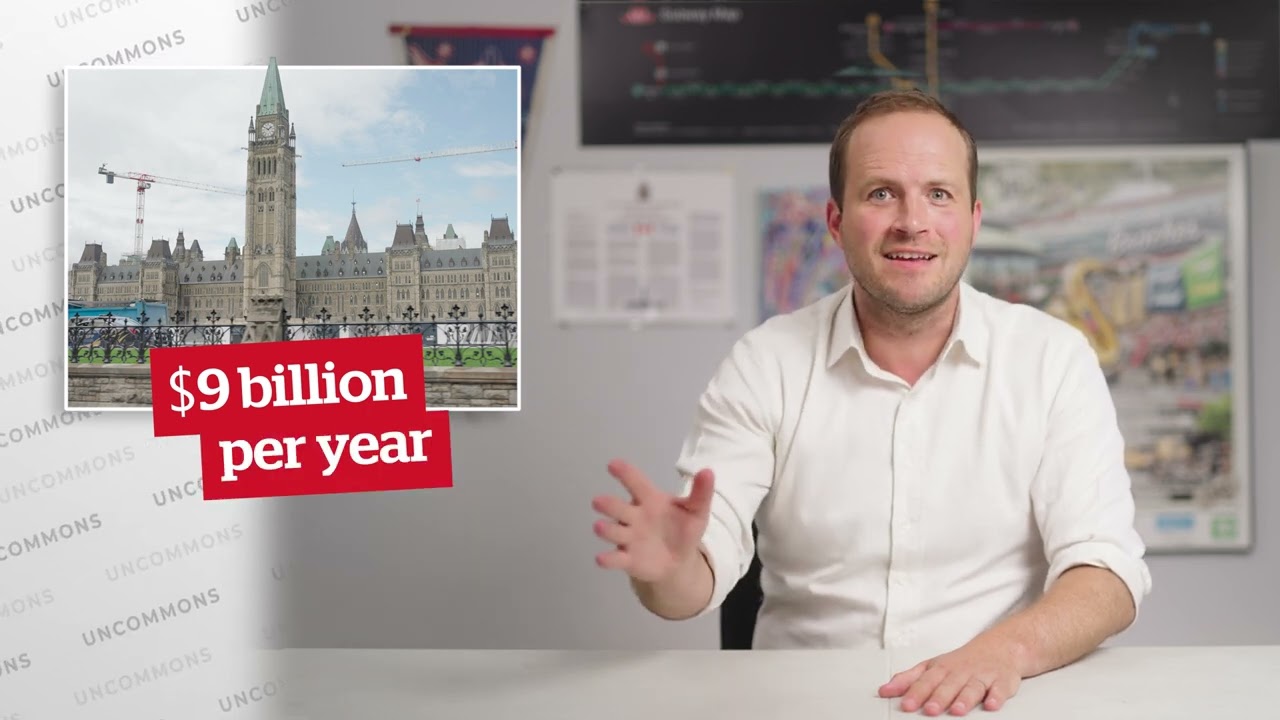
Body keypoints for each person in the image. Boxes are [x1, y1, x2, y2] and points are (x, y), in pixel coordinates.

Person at [590, 88, 1152, 716]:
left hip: (992, 703)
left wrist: (1002, 652)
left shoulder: (1053, 360)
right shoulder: (766, 363)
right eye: (881, 193)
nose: (913, 220)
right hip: (802, 706)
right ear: (836, 222)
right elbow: (691, 580)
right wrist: (666, 570)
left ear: (973, 218)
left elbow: (1106, 573)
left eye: (938, 193)